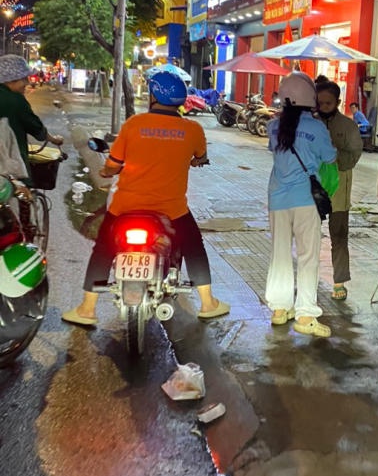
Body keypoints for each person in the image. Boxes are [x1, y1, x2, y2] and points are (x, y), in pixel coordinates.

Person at [61, 70, 229, 327]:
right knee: (193, 244)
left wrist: (106, 171)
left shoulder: (133, 125)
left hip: (126, 206)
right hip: (172, 210)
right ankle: (207, 303)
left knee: (104, 248)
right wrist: (195, 160)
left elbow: (113, 165)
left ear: (153, 96)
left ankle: (87, 308)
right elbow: (200, 156)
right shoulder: (192, 129)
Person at [265, 71, 336, 338]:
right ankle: (305, 315)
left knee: (280, 256)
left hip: (277, 199)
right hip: (306, 200)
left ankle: (279, 310)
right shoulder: (317, 127)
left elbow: (275, 150)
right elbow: (330, 157)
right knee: (307, 257)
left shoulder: (274, 125)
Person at [316, 79, 363, 301]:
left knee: (339, 236)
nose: (324, 106)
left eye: (328, 103)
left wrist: (334, 156)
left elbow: (354, 155)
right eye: (320, 102)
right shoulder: (310, 124)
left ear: (338, 102)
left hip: (339, 192)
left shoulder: (348, 126)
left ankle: (339, 282)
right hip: (312, 189)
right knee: (309, 235)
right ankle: (306, 278)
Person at [0, 56, 64, 178]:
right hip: (9, 167)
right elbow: (36, 128)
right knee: (23, 193)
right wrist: (54, 140)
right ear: (10, 79)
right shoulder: (15, 100)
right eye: (24, 79)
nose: (27, 83)